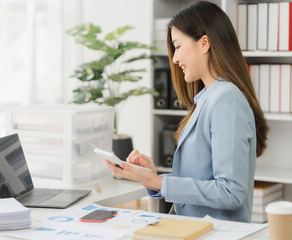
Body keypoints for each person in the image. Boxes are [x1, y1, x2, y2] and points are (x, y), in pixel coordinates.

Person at [104, 1, 268, 223]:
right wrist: (153, 178)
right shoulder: (207, 98)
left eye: (178, 46)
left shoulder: (227, 99)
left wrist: (159, 183)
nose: (174, 59)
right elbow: (201, 182)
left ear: (204, 43)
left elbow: (230, 192)